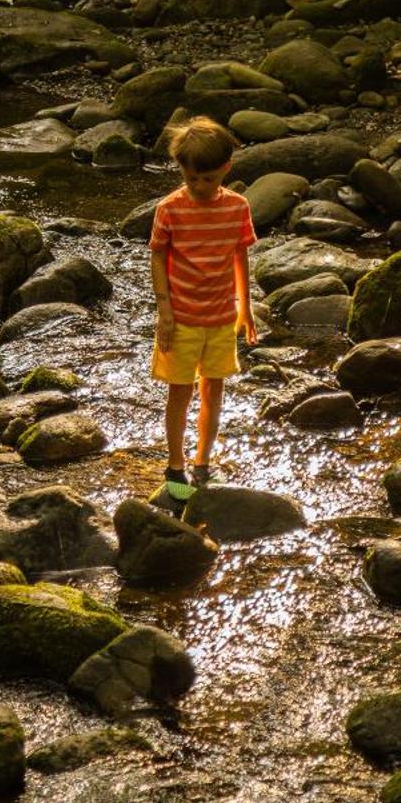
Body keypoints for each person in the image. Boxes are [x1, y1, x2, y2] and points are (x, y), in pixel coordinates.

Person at [148, 116, 257, 513]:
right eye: (191, 178)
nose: (198, 186)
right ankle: (175, 467)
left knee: (215, 388)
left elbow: (240, 254)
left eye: (207, 179)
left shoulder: (237, 207)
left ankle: (203, 462)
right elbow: (158, 255)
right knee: (180, 390)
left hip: (220, 315)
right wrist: (164, 311)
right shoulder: (170, 209)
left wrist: (245, 308)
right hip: (181, 317)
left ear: (226, 169)